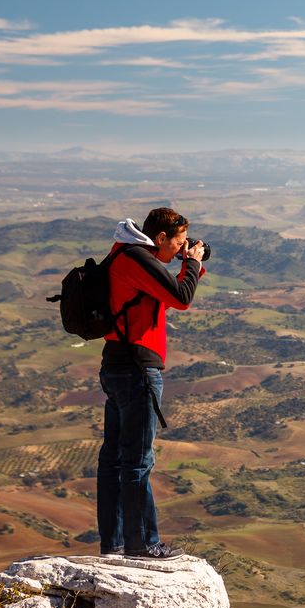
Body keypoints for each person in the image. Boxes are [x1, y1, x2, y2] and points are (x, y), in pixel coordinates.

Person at [96, 207, 204, 560]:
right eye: (179, 242)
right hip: (137, 371)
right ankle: (143, 544)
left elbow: (157, 296)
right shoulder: (137, 258)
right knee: (137, 462)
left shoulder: (123, 254)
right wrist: (192, 265)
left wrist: (186, 265)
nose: (181, 249)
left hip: (116, 365)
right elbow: (181, 298)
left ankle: (114, 544)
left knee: (114, 459)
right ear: (160, 238)